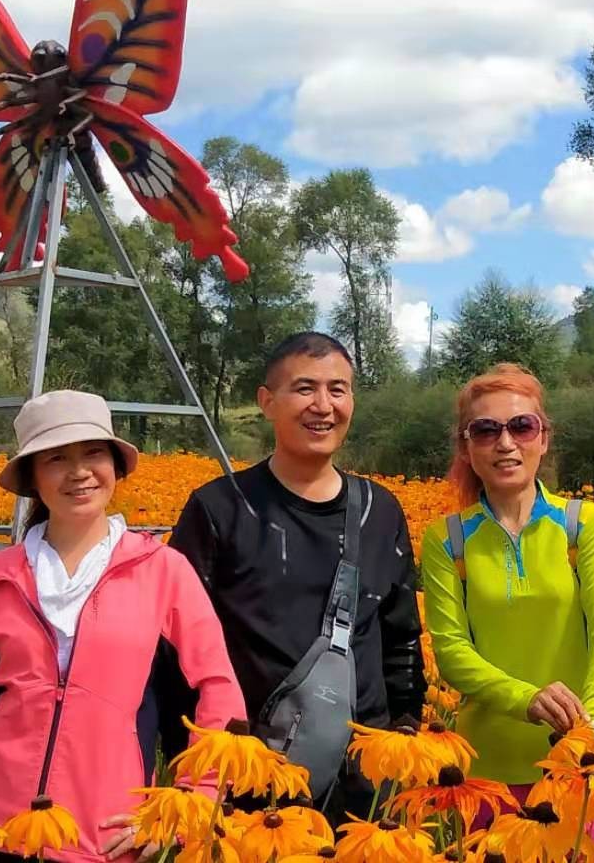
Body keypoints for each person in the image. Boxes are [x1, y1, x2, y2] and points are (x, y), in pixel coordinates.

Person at [0, 390, 246, 863]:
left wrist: (189, 806)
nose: (79, 471)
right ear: (32, 477)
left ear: (116, 465)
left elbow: (215, 691)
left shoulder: (163, 571)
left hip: (104, 835)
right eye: (56, 458)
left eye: (93, 452)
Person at [168, 331, 426, 822]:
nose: (323, 406)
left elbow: (401, 639)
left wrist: (405, 740)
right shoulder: (221, 509)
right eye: (305, 389)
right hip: (250, 784)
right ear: (267, 402)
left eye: (338, 389)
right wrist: (195, 774)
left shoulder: (379, 511)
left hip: (362, 789)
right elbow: (176, 649)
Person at [418, 363, 594, 825]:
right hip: (488, 770)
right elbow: (452, 652)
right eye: (486, 430)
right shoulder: (447, 539)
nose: (506, 443)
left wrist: (592, 728)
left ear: (544, 437)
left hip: (584, 767)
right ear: (466, 446)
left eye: (521, 426)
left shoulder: (585, 524)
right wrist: (527, 699)